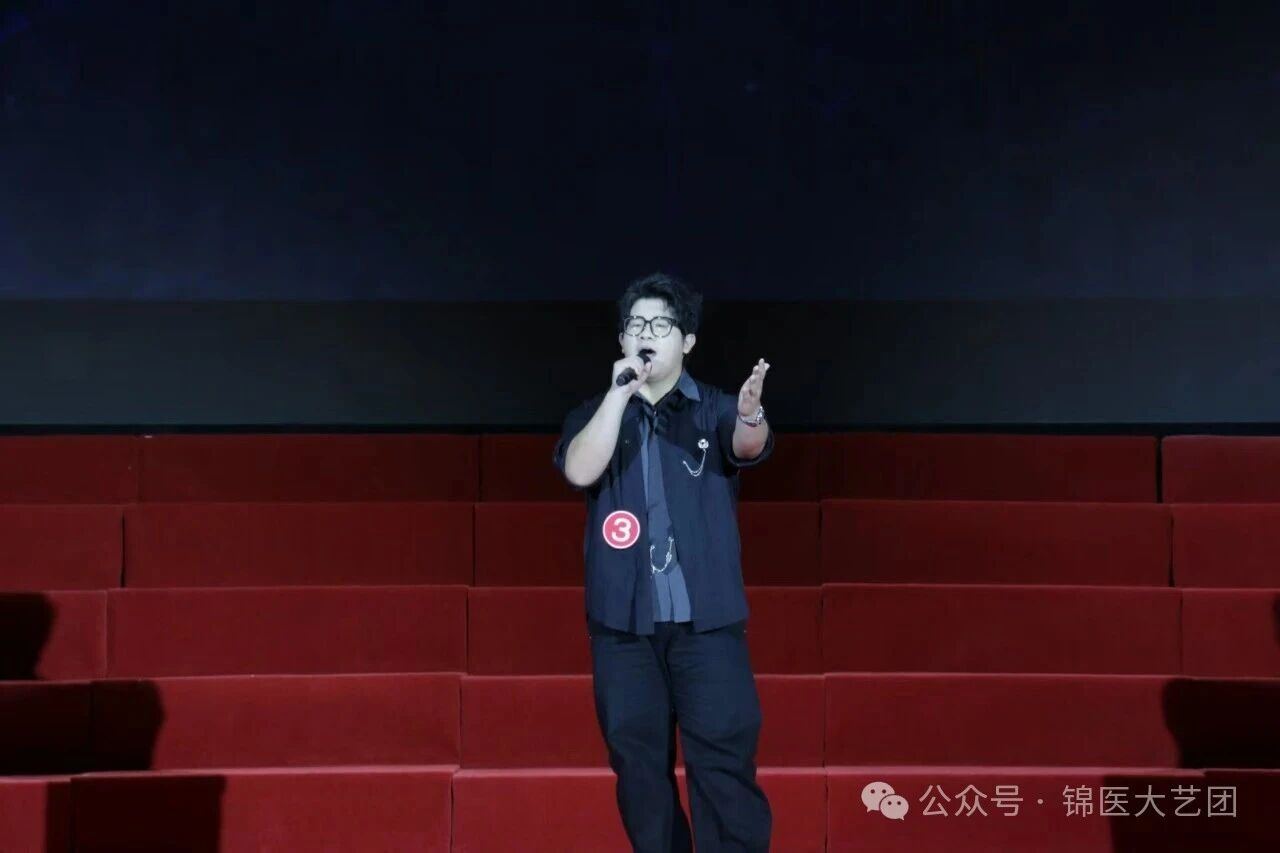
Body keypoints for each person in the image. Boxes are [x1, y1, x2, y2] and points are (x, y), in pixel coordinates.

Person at [553, 272, 774, 852]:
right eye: (636, 324)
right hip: (624, 627)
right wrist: (618, 394)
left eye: (660, 324)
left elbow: (746, 444)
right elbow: (579, 469)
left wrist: (751, 416)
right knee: (639, 770)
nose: (646, 334)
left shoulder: (714, 408)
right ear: (622, 339)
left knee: (723, 762)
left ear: (688, 340)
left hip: (707, 623)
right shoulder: (596, 413)